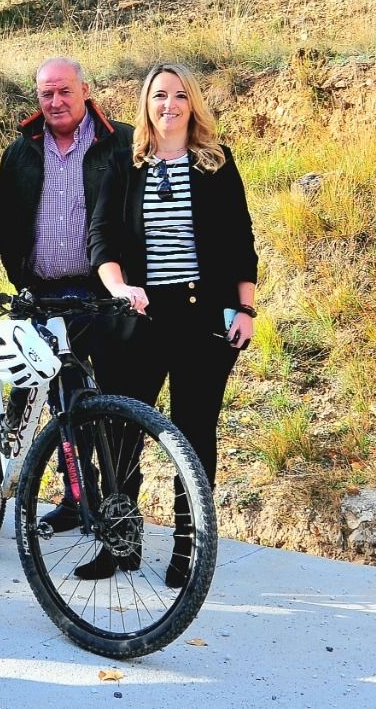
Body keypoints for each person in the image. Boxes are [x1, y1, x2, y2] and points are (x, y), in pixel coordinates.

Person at [87, 62, 258, 583]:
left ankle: (189, 546)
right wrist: (119, 288)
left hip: (202, 319)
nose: (170, 105)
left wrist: (246, 309)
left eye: (180, 95)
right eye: (160, 95)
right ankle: (120, 542)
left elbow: (240, 241)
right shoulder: (125, 163)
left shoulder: (216, 163)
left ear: (192, 104)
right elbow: (101, 239)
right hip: (138, 317)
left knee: (194, 433)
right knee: (121, 433)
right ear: (146, 103)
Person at [0, 56, 134, 532]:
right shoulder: (20, 152)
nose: (55, 102)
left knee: (111, 400)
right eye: (46, 93)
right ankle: (78, 496)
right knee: (65, 402)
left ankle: (117, 503)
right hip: (43, 296)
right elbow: (5, 220)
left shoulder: (121, 142)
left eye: (64, 91)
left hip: (102, 293)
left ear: (85, 91)